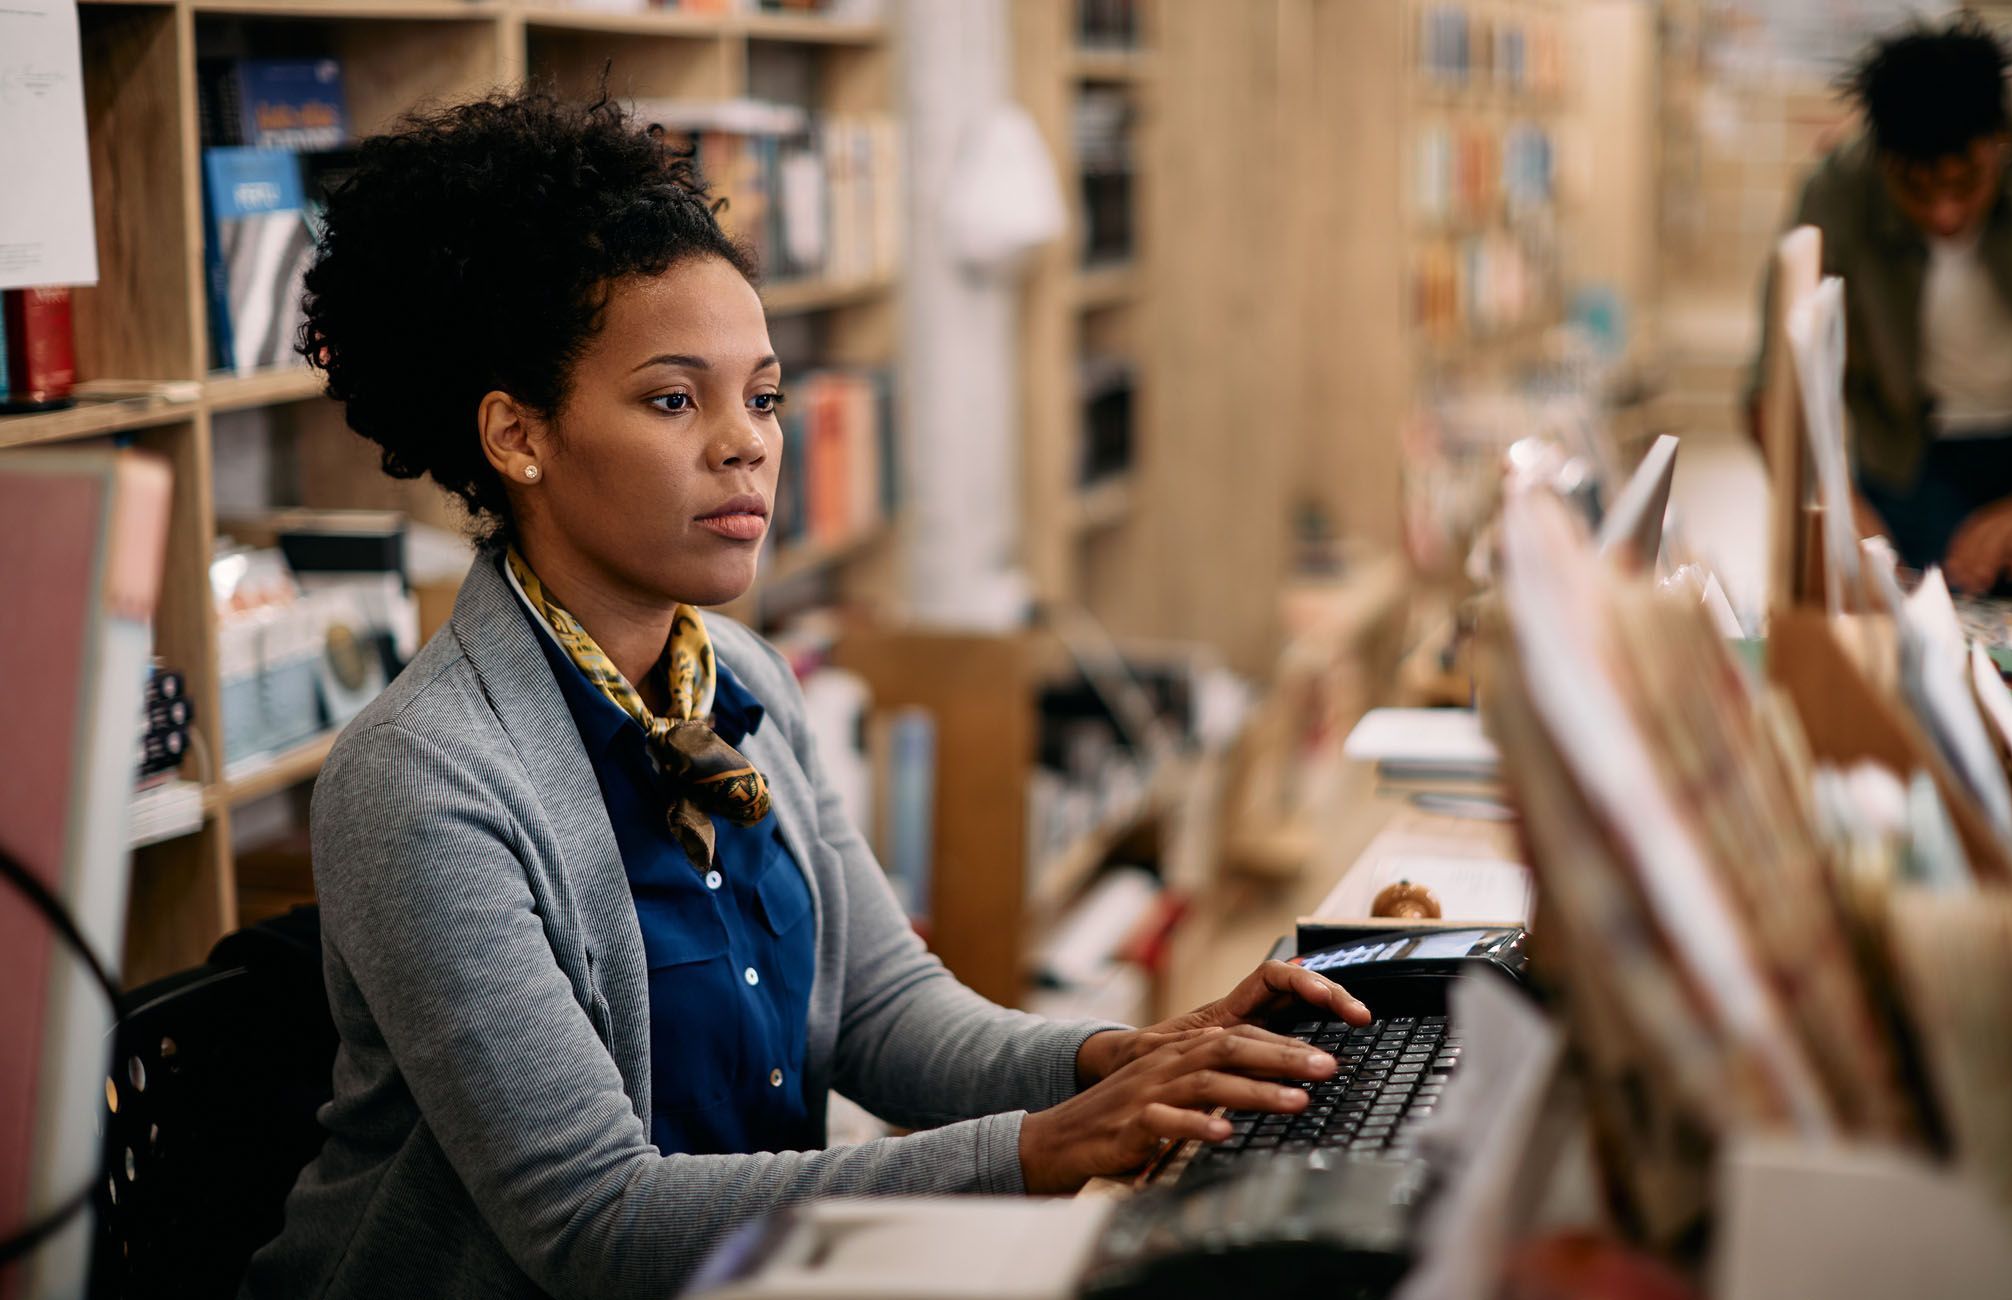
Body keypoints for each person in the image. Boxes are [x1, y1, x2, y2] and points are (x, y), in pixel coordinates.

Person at [240, 91, 1366, 1300]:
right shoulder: (421, 778)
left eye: (764, 396)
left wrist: (1130, 1056)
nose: (750, 445)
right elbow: (595, 1223)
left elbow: (886, 1014)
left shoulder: (743, 680)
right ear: (518, 434)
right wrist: (1051, 1143)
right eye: (677, 399)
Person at [1747, 16, 2012, 605]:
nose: (1944, 213)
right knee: (1905, 650)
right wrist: (1845, 514)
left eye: (1966, 182)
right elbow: (1769, 388)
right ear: (1882, 159)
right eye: (1917, 190)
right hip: (1905, 460)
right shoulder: (1836, 189)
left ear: (2001, 142)